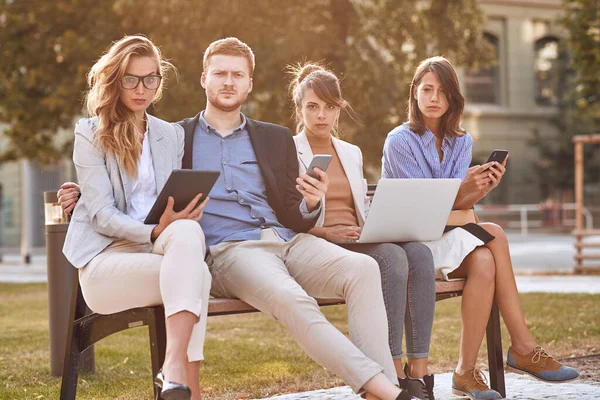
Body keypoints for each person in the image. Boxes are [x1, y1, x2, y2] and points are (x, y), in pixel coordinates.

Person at [60, 37, 416, 400]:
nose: (228, 82)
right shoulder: (178, 137)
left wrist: (312, 202)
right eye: (220, 74)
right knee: (293, 299)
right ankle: (389, 391)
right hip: (233, 251)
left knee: (363, 270)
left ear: (250, 83)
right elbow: (137, 178)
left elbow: (295, 212)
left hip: (290, 240)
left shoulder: (275, 138)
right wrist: (81, 194)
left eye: (237, 75)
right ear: (204, 79)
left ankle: (380, 390)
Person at [381, 56, 579, 400]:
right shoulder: (400, 141)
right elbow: (422, 214)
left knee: (486, 261)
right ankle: (522, 348)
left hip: (444, 236)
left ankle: (466, 372)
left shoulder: (461, 142)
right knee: (496, 234)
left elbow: (458, 211)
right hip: (410, 246)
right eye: (427, 89)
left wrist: (478, 189)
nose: (434, 98)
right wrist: (463, 191)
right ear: (414, 93)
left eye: (442, 91)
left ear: (453, 99)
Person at [61, 35, 211, 400]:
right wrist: (156, 229)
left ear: (160, 82)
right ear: (115, 79)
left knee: (189, 232)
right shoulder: (90, 132)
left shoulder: (170, 135)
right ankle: (185, 382)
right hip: (106, 262)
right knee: (197, 274)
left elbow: (167, 207)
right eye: (131, 79)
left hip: (157, 253)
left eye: (151, 79)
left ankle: (172, 369)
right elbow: (101, 214)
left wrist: (181, 216)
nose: (141, 88)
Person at [288, 62, 436, 400]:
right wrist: (325, 233)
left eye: (329, 107)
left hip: (359, 236)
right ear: (299, 109)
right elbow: (286, 216)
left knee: (420, 253)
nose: (321, 115)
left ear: (339, 110)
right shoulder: (289, 151)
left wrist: (379, 225)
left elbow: (361, 207)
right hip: (321, 243)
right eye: (312, 107)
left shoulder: (350, 152)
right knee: (393, 258)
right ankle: (392, 370)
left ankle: (420, 370)